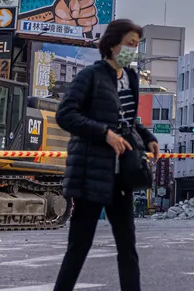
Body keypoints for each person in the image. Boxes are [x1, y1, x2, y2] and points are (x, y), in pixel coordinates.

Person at [53, 19, 159, 291]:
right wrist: (104, 134)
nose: (133, 50)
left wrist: (149, 139)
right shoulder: (91, 75)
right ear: (112, 45)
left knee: (128, 246)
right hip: (91, 174)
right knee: (79, 246)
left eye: (137, 45)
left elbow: (128, 120)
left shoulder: (131, 78)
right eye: (129, 44)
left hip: (121, 176)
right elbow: (65, 115)